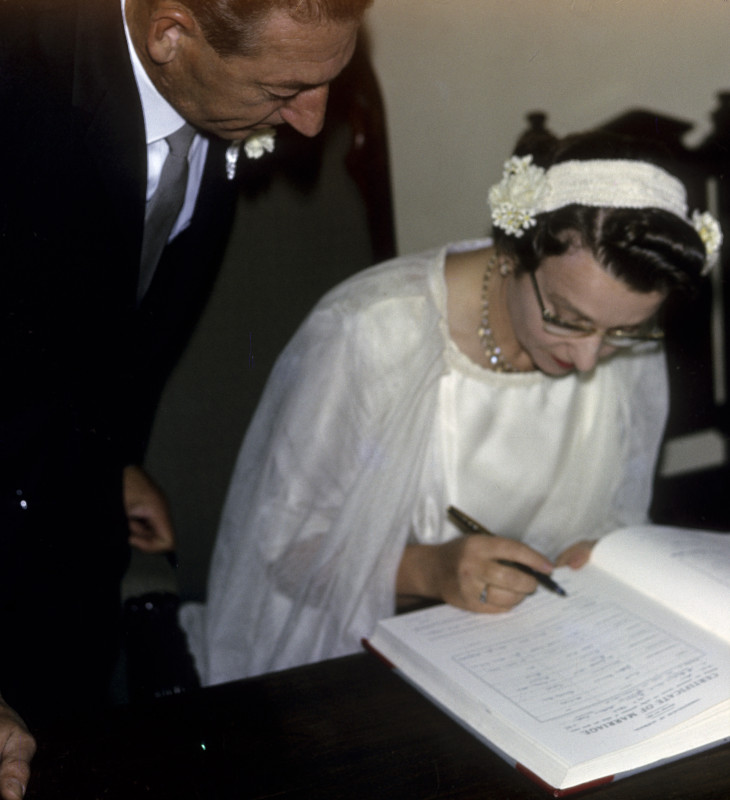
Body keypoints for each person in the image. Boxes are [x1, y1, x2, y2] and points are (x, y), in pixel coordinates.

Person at [180, 129, 721, 686]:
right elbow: (282, 549)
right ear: (512, 255)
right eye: (567, 317)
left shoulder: (619, 339)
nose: (589, 359)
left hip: (545, 643)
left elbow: (618, 510)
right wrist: (431, 569)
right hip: (368, 643)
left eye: (622, 333)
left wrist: (599, 550)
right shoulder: (369, 332)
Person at [0, 0, 370, 792]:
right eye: (283, 91)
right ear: (170, 34)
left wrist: (104, 453)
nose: (311, 122)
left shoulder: (223, 85)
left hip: (69, 537)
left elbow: (89, 318)